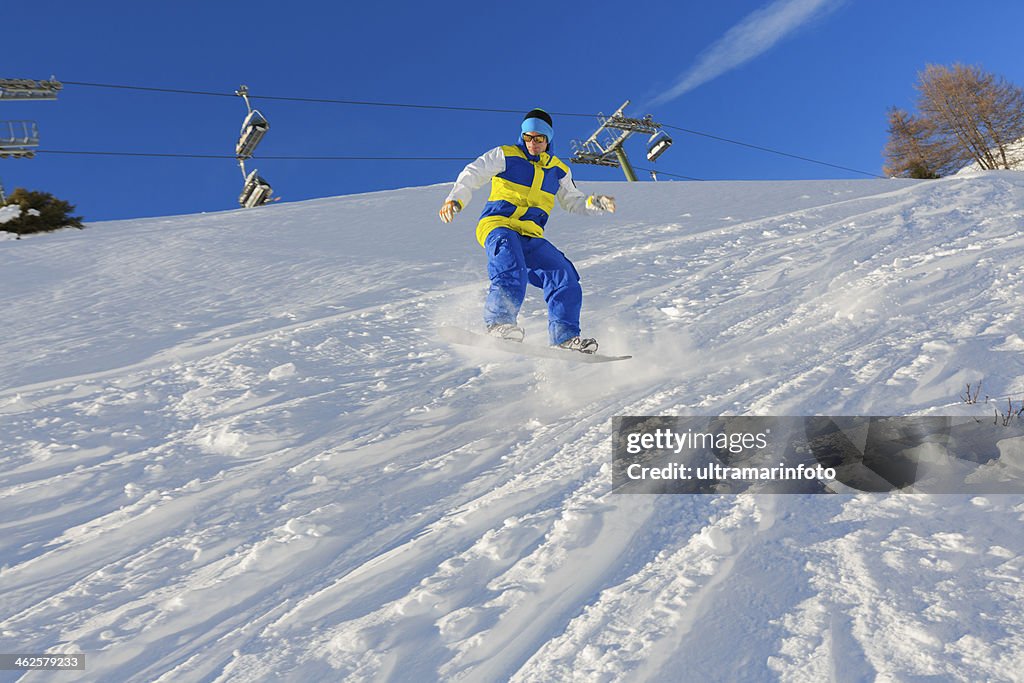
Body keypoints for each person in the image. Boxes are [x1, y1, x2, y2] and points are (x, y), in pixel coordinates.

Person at [439, 108, 616, 354]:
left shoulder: (558, 170)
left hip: (531, 235)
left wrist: (594, 202)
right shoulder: (506, 155)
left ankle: (565, 338)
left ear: (549, 140)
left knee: (564, 274)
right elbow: (473, 173)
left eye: (539, 138)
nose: (533, 143)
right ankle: (499, 323)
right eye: (528, 137)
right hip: (498, 225)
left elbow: (573, 201)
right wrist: (455, 199)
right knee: (511, 266)